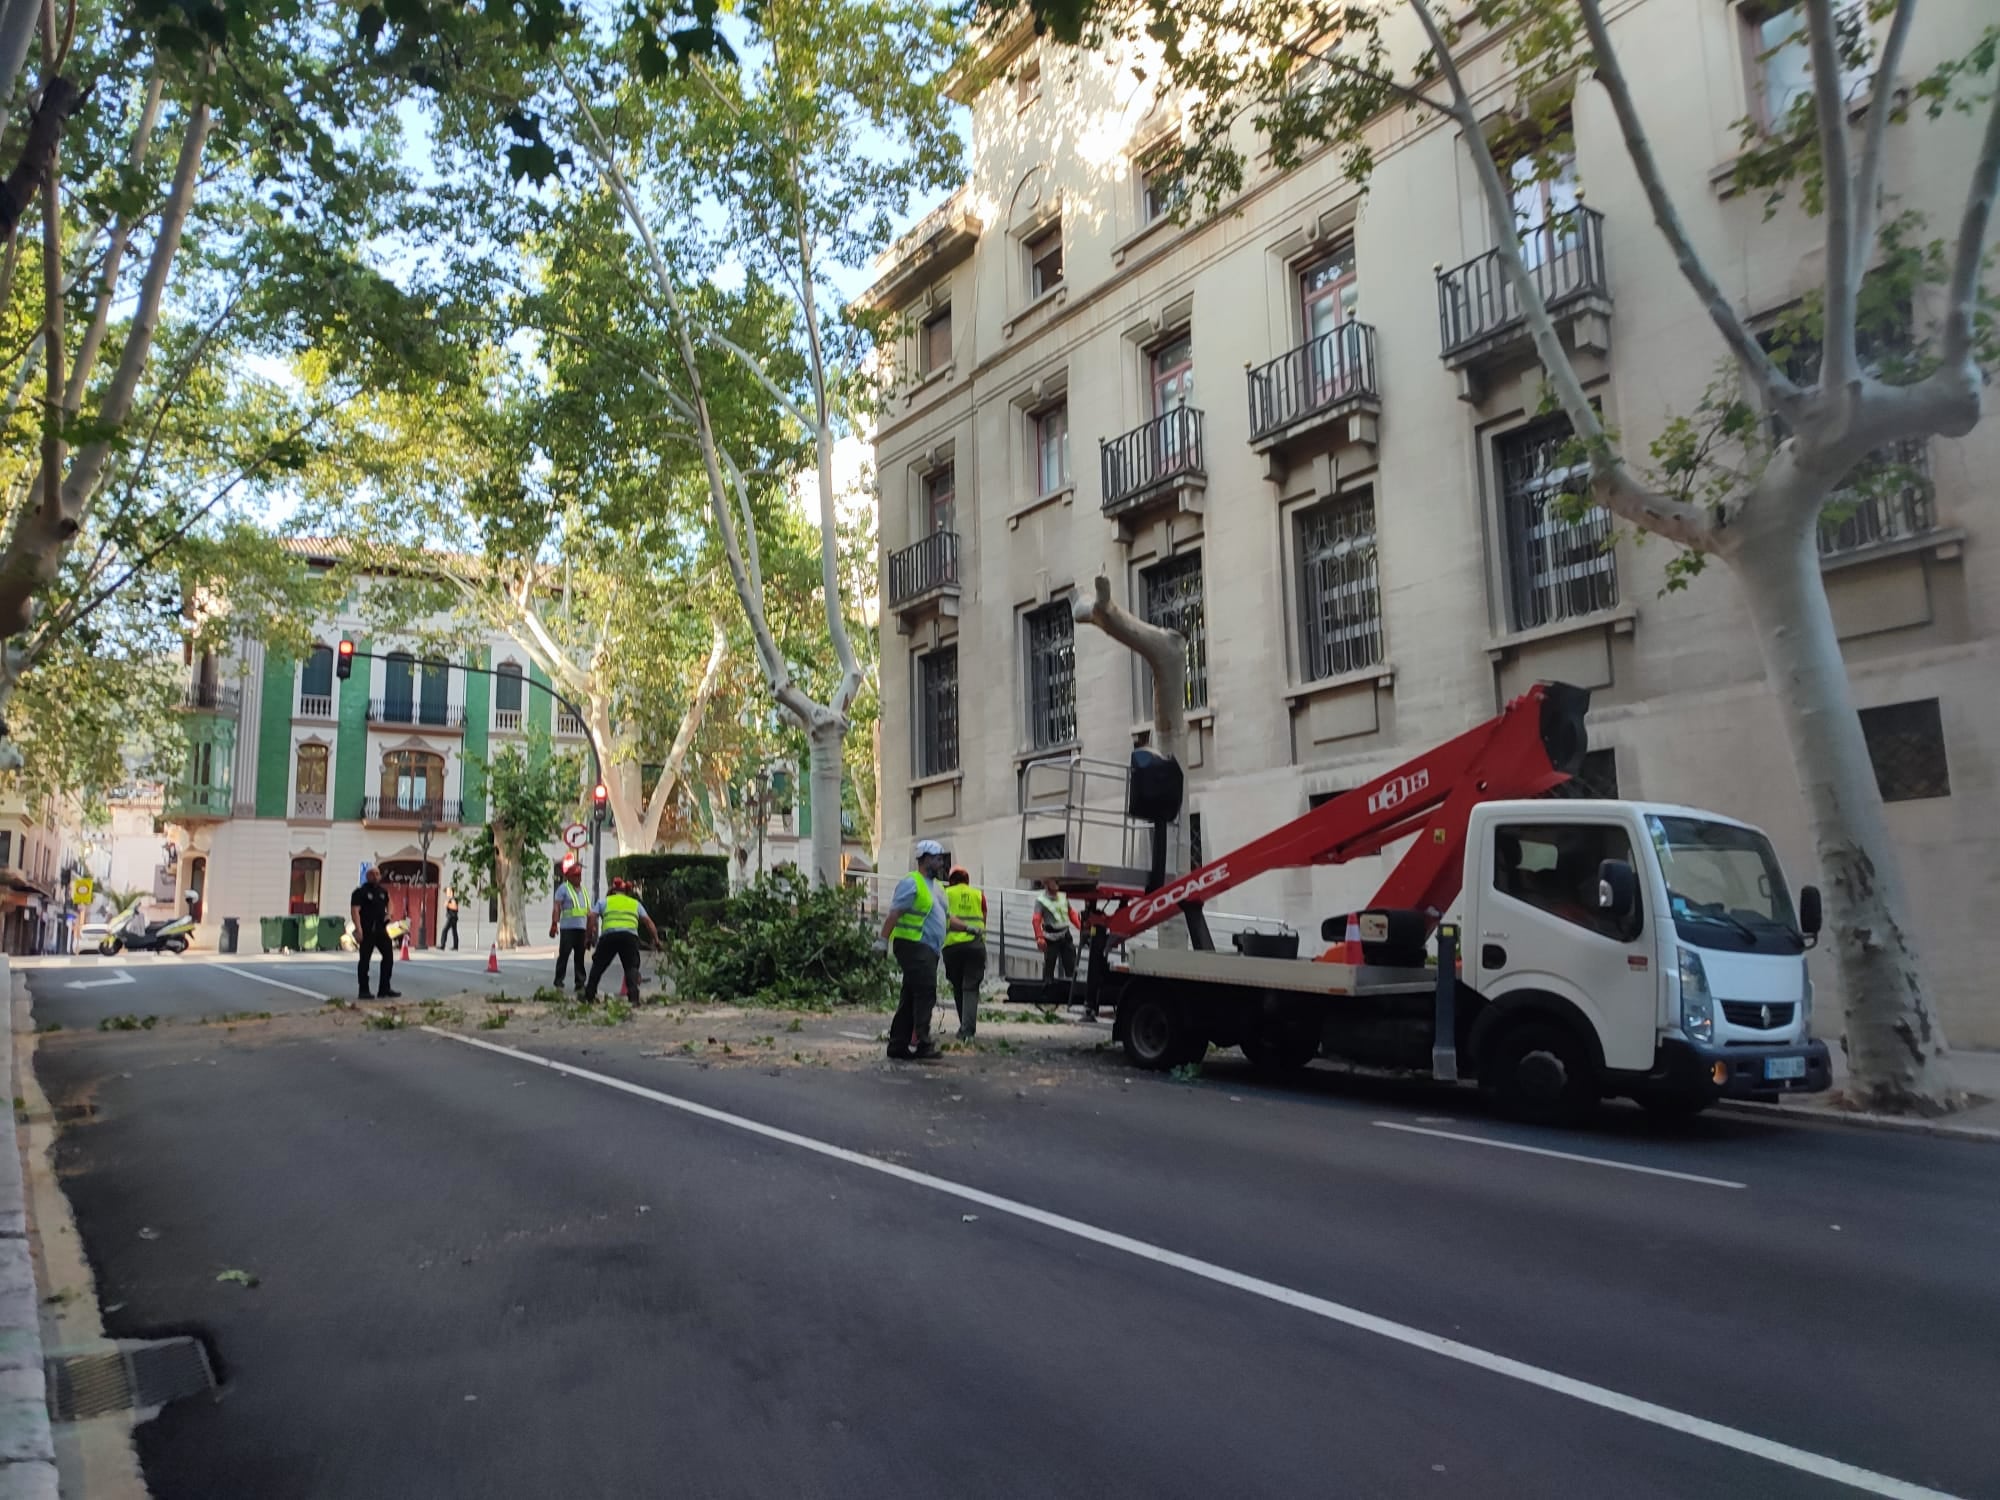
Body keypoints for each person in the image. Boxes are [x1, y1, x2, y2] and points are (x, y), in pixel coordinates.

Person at [881, 840, 952, 1060]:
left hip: (928, 948)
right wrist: (882, 939)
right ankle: (922, 1041)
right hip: (913, 945)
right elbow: (895, 913)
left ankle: (898, 1045)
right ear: (924, 859)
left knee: (911, 995)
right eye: (936, 858)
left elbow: (946, 918)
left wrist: (969, 928)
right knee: (925, 992)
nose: (940, 862)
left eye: (941, 858)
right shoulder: (912, 882)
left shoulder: (938, 888)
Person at [583, 877, 657, 1004]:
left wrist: (588, 938)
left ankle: (589, 995)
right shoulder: (635, 903)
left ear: (612, 890)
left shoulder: (604, 902)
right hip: (629, 938)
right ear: (626, 891)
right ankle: (633, 998)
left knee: (598, 966)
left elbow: (591, 917)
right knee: (631, 967)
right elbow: (648, 922)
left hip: (609, 937)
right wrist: (656, 940)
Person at [941, 866, 987, 1041]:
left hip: (952, 946)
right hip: (975, 946)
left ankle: (965, 1028)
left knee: (958, 986)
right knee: (970, 987)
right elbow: (984, 919)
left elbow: (942, 918)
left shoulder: (946, 893)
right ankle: (968, 1031)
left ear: (951, 880)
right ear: (967, 880)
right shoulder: (978, 895)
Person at [350, 865, 399, 1000]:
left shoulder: (382, 891)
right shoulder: (360, 892)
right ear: (368, 876)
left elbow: (390, 903)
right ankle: (364, 990)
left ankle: (384, 988)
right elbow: (355, 911)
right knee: (365, 960)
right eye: (373, 874)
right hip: (367, 930)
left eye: (378, 874)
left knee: (388, 957)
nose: (376, 876)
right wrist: (358, 929)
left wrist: (389, 914)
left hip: (381, 930)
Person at [549, 865, 590, 996]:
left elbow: (588, 912)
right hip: (568, 929)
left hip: (581, 929)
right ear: (569, 877)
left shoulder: (584, 890)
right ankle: (559, 982)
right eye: (576, 876)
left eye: (580, 875)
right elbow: (557, 907)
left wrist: (590, 930)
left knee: (580, 957)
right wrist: (554, 924)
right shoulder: (563, 889)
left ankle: (580, 984)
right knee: (564, 956)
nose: (579, 878)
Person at [1033, 876, 1079, 987]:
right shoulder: (1041, 900)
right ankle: (1047, 990)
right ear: (1047, 883)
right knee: (1049, 965)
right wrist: (1039, 937)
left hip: (1065, 935)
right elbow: (1036, 920)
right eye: (1054, 881)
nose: (1058, 883)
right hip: (1050, 938)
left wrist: (1081, 926)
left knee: (1071, 964)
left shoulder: (1063, 896)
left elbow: (1071, 914)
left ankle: (1072, 990)